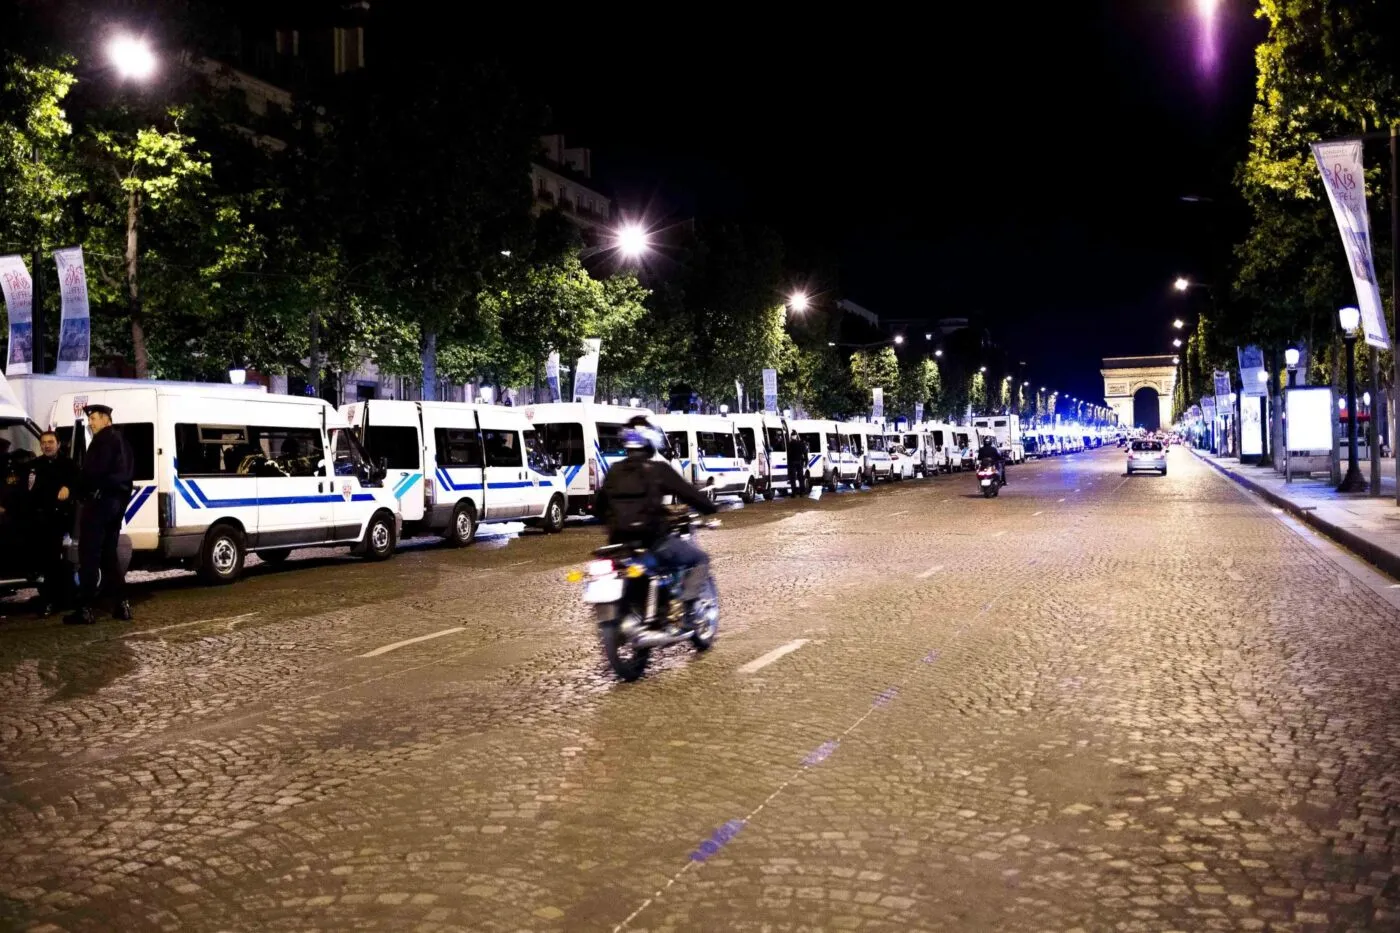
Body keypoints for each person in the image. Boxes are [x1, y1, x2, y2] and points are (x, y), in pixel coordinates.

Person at [594, 417, 717, 603]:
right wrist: (710, 507)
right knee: (700, 559)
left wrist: (614, 523)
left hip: (619, 547)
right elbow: (690, 493)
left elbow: (598, 508)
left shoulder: (614, 471)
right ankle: (686, 605)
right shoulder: (657, 470)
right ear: (651, 442)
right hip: (654, 543)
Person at [65, 404, 134, 625]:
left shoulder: (103, 440)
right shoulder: (123, 442)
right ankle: (122, 605)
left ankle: (85, 609)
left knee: (89, 556)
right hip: (116, 506)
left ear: (106, 419)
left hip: (99, 505)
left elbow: (92, 473)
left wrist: (76, 491)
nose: (91, 423)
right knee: (108, 556)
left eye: (94, 418)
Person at [31, 431, 79, 615]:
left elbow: (78, 484)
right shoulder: (34, 466)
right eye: (43, 442)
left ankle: (51, 601)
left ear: (59, 444)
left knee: (52, 562)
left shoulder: (68, 465)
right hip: (37, 521)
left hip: (59, 521)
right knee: (42, 563)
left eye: (51, 442)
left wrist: (68, 488)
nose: (47, 445)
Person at [787, 430, 809, 496]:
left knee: (792, 478)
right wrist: (806, 461)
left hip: (792, 463)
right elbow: (805, 453)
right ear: (796, 436)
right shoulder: (801, 444)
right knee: (801, 478)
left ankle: (793, 493)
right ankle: (802, 492)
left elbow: (788, 454)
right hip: (799, 462)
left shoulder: (789, 444)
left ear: (791, 436)